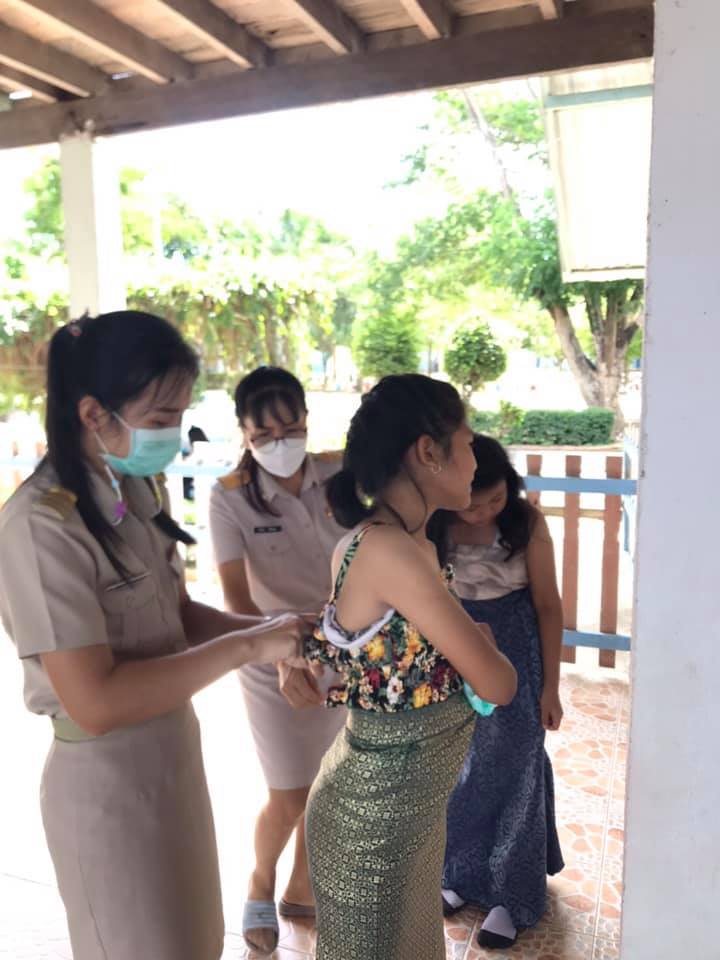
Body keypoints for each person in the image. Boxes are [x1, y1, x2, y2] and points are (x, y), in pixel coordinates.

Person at [0, 312, 309, 960]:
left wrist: (277, 632)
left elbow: (178, 615)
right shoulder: (40, 526)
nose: (174, 431)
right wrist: (249, 646)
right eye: (163, 416)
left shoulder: (135, 485)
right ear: (94, 414)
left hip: (174, 754)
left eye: (181, 412)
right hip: (106, 780)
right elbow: (96, 702)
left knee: (195, 942)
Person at [303, 374, 518, 960]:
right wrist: (482, 644)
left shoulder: (402, 543)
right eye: (468, 443)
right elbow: (499, 683)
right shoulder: (390, 551)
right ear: (429, 451)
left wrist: (473, 646)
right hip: (373, 821)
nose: (475, 460)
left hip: (406, 811)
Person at [208, 366, 347, 955]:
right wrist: (281, 658)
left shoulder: (341, 474)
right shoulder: (229, 496)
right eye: (263, 434)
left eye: (289, 429)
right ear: (243, 432)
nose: (279, 443)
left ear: (307, 421)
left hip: (343, 646)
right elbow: (236, 599)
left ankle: (301, 886)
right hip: (269, 650)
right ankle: (260, 883)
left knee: (332, 779)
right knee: (289, 791)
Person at [431, 434, 565, 949]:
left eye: (496, 498)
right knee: (461, 764)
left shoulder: (526, 522)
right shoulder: (436, 523)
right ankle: (459, 873)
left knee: (518, 765)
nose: (485, 510)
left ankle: (514, 893)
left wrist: (551, 687)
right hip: (457, 644)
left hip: (516, 649)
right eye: (474, 503)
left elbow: (548, 605)